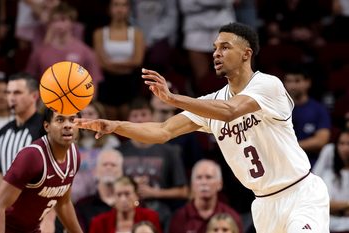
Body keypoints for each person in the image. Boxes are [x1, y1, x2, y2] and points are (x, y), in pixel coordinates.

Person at [75, 22, 330, 233]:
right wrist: (115, 125)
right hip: (263, 204)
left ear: (246, 53)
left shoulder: (268, 85)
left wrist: (172, 99)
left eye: (225, 47)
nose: (216, 53)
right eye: (214, 48)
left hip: (299, 193)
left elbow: (231, 111)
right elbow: (163, 131)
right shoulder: (211, 103)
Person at [0, 107, 83, 232]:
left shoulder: (74, 155)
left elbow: (63, 203)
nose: (67, 125)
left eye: (72, 120)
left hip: (31, 229)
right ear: (46, 126)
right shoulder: (32, 156)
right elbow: (0, 205)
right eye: (60, 120)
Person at [118, 97, 189, 231]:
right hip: (127, 215)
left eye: (143, 114)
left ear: (152, 117)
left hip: (161, 216)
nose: (139, 120)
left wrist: (155, 193)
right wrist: (131, 187)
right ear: (128, 120)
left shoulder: (169, 151)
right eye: (135, 116)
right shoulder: (119, 152)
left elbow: (184, 191)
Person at [93, 0, 145, 120]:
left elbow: (137, 61)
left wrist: (112, 64)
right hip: (107, 82)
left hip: (130, 82)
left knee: (128, 121)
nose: (120, 9)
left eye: (123, 5)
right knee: (109, 121)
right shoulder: (99, 33)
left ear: (128, 9)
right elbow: (101, 63)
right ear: (109, 9)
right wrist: (126, 65)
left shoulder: (136, 34)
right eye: (116, 5)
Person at [168, 159, 243, 233]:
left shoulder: (231, 216)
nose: (204, 182)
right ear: (192, 184)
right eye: (199, 177)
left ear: (220, 184)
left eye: (209, 177)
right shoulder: (180, 218)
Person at [283, 65, 331, 165]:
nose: (292, 86)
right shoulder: (277, 108)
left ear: (308, 82)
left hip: (310, 164)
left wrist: (289, 147)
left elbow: (321, 140)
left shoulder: (319, 110)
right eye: (288, 81)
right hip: (283, 163)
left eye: (297, 81)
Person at [0, 72, 43, 180]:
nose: (11, 98)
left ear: (34, 96)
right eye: (8, 93)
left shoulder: (46, 129)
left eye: (17, 93)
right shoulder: (3, 132)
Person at [74, 148, 124, 233]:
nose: (109, 168)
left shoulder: (133, 203)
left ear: (121, 171)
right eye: (104, 164)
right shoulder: (82, 206)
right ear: (96, 170)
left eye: (113, 165)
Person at [89, 176, 162, 233]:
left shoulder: (150, 217)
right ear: (113, 197)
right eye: (119, 195)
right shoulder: (99, 222)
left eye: (127, 194)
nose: (123, 199)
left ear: (136, 195)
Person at [315, 129, 349, 233]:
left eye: (348, 144)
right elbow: (323, 204)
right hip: (329, 226)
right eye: (341, 143)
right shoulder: (328, 174)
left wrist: (338, 206)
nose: (345, 148)